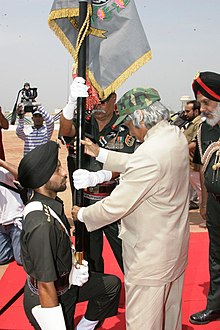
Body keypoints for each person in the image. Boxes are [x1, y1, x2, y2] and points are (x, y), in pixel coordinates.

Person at [71, 87, 190, 330]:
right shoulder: (174, 136)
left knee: (142, 323)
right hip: (173, 248)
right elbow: (144, 164)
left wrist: (82, 214)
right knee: (170, 317)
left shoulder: (149, 154)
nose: (130, 130)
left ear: (142, 118)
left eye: (130, 123)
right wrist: (101, 153)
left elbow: (116, 206)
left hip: (150, 256)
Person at [17, 140, 121, 330]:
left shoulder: (51, 203)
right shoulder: (42, 225)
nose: (65, 173)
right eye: (57, 169)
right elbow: (46, 286)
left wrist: (75, 267)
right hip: (52, 297)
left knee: (111, 286)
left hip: (67, 282)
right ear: (42, 179)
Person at [59, 77, 136, 273]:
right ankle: (101, 295)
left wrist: (99, 176)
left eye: (103, 100)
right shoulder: (83, 121)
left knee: (128, 257)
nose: (98, 106)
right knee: (90, 260)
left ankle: (138, 293)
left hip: (115, 204)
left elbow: (128, 162)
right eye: (94, 100)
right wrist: (70, 104)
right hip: (85, 203)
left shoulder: (125, 126)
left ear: (114, 99)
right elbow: (65, 131)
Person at [189, 71, 220, 325]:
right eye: (200, 104)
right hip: (215, 206)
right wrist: (204, 204)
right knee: (217, 256)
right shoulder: (204, 131)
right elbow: (202, 167)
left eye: (207, 103)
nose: (202, 109)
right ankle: (215, 305)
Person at [0, 158, 23, 265]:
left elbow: (21, 175)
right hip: (2, 224)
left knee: (20, 259)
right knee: (1, 257)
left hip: (15, 219)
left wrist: (2, 163)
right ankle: (18, 244)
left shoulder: (2, 172)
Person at [182, 100, 202, 210]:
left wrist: (178, 150)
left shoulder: (199, 123)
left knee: (201, 190)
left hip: (194, 163)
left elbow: (194, 144)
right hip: (188, 162)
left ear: (196, 111)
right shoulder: (191, 123)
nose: (185, 114)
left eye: (187, 111)